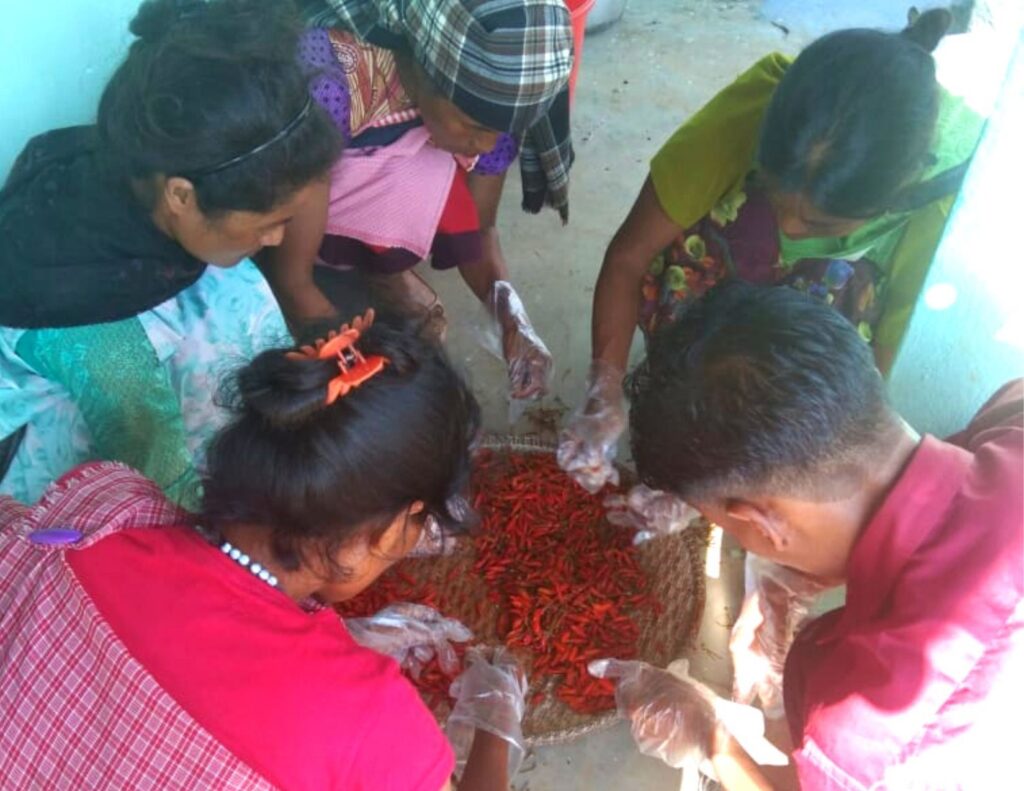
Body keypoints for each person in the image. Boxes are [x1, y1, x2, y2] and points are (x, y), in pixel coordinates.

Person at [0, 312, 528, 790]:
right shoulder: (368, 725)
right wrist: (495, 726)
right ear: (392, 533)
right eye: (419, 524)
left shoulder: (105, 511)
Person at [596, 282, 1022, 789]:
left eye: (726, 525)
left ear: (760, 521)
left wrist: (712, 739)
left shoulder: (865, 737)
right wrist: (801, 574)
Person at [557, 9, 985, 493]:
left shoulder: (950, 200)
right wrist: (605, 390)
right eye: (775, 191)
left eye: (820, 221)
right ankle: (695, 371)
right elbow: (629, 258)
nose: (788, 226)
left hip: (830, 297)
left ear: (896, 194)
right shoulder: (761, 109)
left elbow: (876, 375)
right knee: (725, 244)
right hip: (735, 263)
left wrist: (760, 474)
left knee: (825, 334)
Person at [0, 0, 343, 507]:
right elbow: (158, 468)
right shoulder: (89, 323)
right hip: (58, 400)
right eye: (270, 223)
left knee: (241, 292)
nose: (276, 239)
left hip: (114, 333)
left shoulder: (141, 160)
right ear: (181, 196)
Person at [266, 0, 574, 401]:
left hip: (350, 185)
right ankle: (348, 261)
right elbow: (293, 281)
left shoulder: (496, 115)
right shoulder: (329, 82)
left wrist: (512, 319)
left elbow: (481, 231)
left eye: (503, 132)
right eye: (474, 126)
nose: (485, 145)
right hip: (278, 219)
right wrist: (357, 373)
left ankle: (374, 264)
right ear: (424, 72)